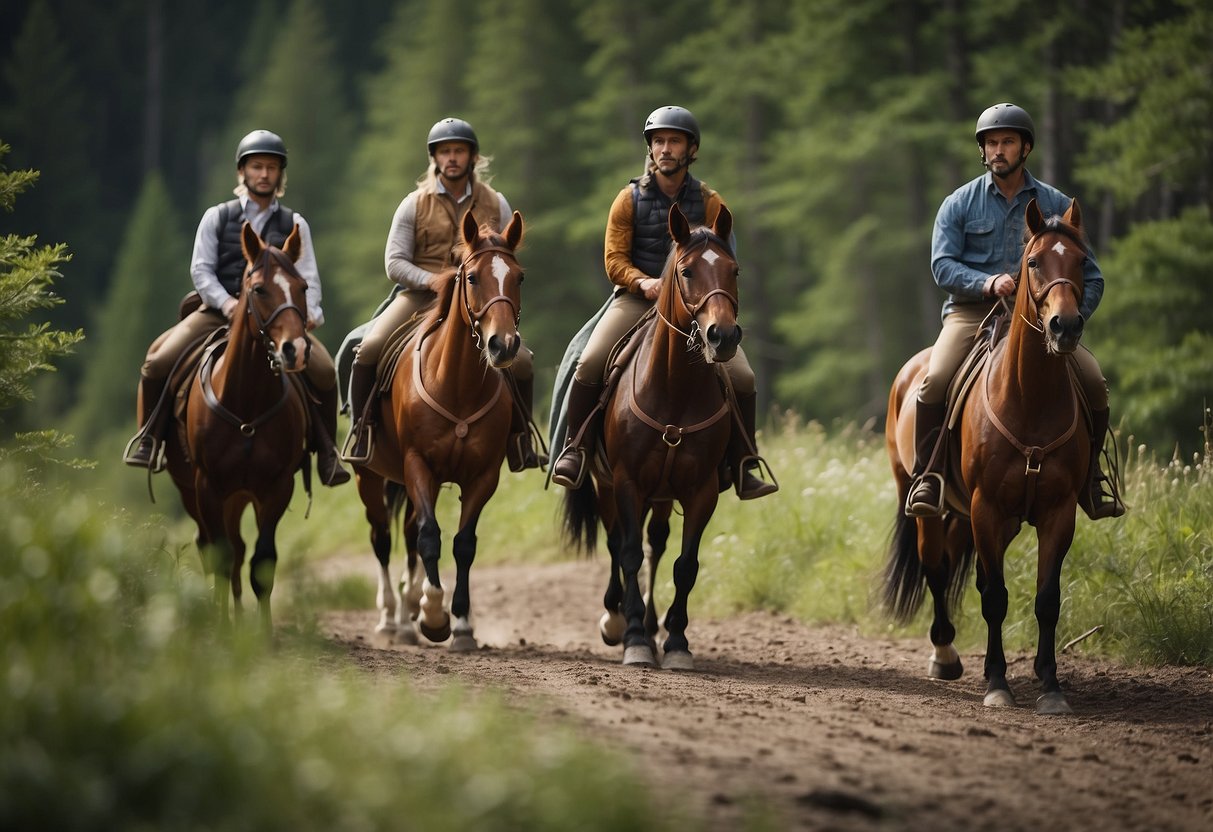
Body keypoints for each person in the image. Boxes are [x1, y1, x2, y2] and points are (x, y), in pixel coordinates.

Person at [904, 102, 1124, 520]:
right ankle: (928, 476)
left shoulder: (1057, 204)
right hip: (973, 313)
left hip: (1043, 321)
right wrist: (986, 283)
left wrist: (1070, 317)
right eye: (990, 143)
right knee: (933, 381)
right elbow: (941, 264)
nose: (997, 150)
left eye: (1007, 142)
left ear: (1025, 149)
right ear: (982, 151)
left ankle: (1092, 478)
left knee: (1094, 382)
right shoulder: (959, 203)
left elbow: (1091, 276)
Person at [549, 105, 777, 500]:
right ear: (650, 149)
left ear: (691, 150)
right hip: (639, 299)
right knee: (589, 360)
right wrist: (644, 282)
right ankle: (576, 450)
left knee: (744, 377)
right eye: (658, 142)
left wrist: (711, 300)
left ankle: (744, 462)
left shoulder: (710, 201)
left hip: (695, 308)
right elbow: (613, 259)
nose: (665, 149)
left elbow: (725, 259)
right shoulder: (628, 199)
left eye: (674, 141)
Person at [123, 129, 350, 486]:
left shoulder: (295, 224)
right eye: (257, 166)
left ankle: (326, 451)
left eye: (271, 167)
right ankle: (150, 438)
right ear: (242, 172)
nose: (264, 174)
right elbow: (201, 269)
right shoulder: (218, 216)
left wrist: (309, 316)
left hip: (277, 318)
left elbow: (308, 278)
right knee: (156, 364)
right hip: (219, 312)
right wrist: (228, 304)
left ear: (280, 175)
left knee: (323, 371)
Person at [342, 117, 542, 471]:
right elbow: (394, 262)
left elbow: (505, 258)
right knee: (370, 348)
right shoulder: (414, 204)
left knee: (522, 361)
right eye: (445, 151)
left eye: (459, 151)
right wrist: (431, 280)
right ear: (434, 158)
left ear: (473, 157)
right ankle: (363, 430)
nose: (452, 158)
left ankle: (520, 439)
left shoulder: (495, 202)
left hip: (478, 298)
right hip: (420, 296)